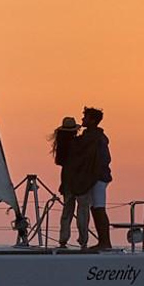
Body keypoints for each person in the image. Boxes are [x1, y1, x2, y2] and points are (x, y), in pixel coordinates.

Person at [69, 106, 113, 249]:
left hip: (98, 178)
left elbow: (103, 159)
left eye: (85, 117)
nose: (82, 119)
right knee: (95, 208)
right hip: (96, 177)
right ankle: (103, 241)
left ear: (93, 120)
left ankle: (105, 242)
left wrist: (93, 173)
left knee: (99, 208)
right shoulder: (92, 137)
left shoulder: (96, 138)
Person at [49, 116, 90, 248]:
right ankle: (83, 240)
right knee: (82, 211)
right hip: (81, 181)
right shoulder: (79, 144)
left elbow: (61, 163)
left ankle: (63, 239)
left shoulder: (61, 146)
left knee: (67, 212)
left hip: (67, 181)